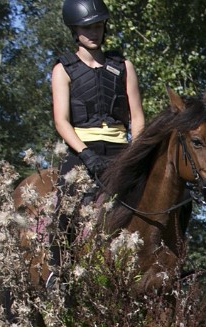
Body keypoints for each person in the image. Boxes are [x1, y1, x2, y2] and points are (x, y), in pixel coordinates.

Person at [54, 0, 144, 187]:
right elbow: (61, 121)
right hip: (81, 150)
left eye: (98, 26)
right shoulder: (62, 70)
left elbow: (136, 116)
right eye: (87, 28)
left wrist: (135, 152)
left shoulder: (124, 66)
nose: (94, 33)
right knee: (65, 202)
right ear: (75, 30)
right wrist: (86, 154)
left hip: (120, 149)